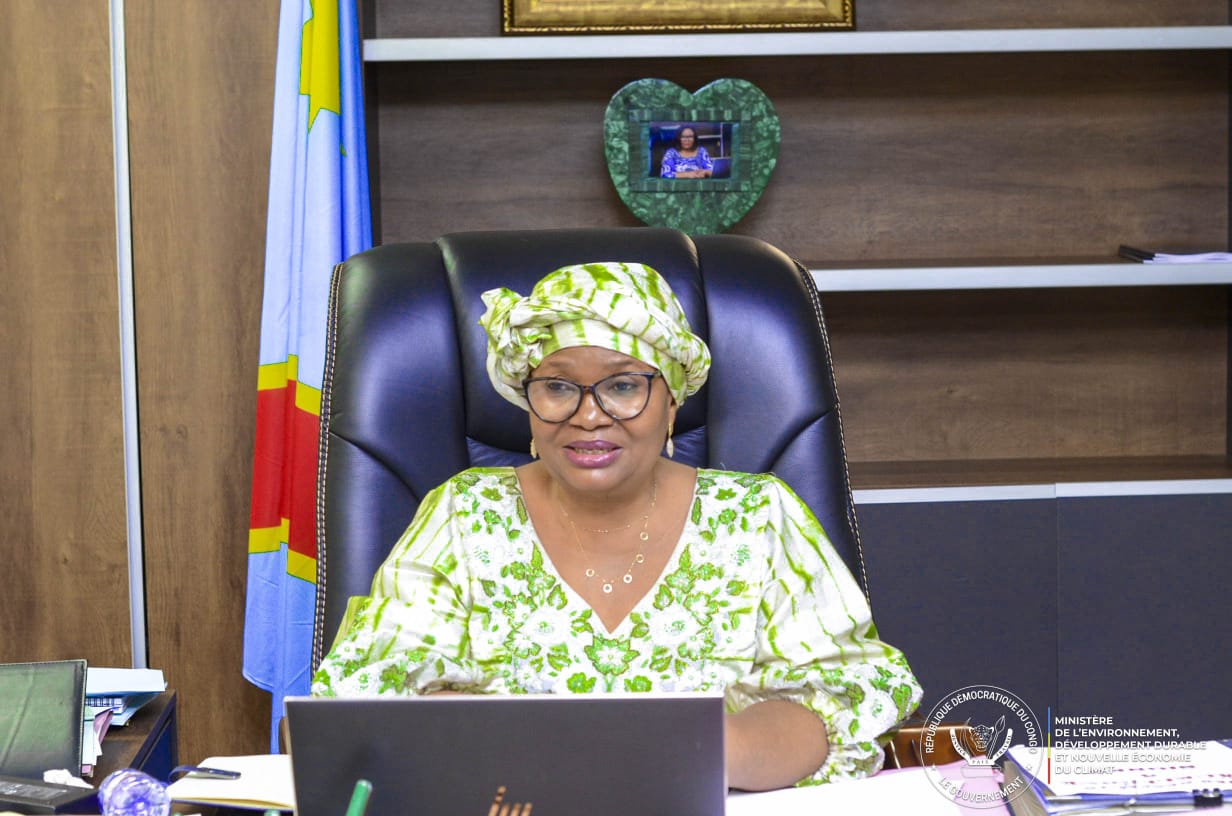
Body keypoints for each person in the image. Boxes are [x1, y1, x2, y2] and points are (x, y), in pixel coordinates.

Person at [311, 261, 922, 791]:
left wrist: (689, 754)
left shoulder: (760, 515)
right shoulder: (464, 513)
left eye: (623, 386)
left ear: (672, 402)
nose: (588, 416)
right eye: (558, 387)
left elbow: (836, 703)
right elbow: (373, 695)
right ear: (528, 402)